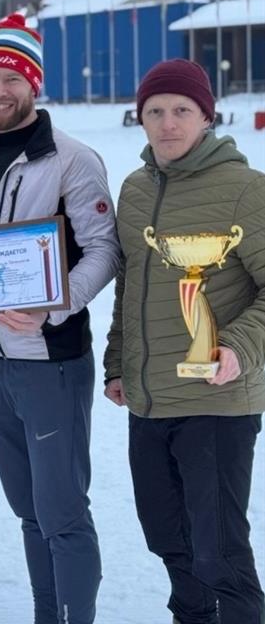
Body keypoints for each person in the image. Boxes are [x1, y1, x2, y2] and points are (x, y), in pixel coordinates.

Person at [0, 13, 119, 624]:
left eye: (11, 79)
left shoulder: (72, 159)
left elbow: (103, 249)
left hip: (50, 363)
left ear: (34, 85)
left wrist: (58, 304)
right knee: (29, 512)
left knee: (63, 516)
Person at [104, 58, 265, 624]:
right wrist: (117, 364)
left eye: (181, 111)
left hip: (218, 401)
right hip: (150, 401)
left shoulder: (247, 191)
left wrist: (238, 348)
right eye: (154, 112)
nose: (167, 123)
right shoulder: (135, 190)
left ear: (206, 116)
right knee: (168, 540)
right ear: (140, 118)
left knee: (219, 552)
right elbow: (131, 285)